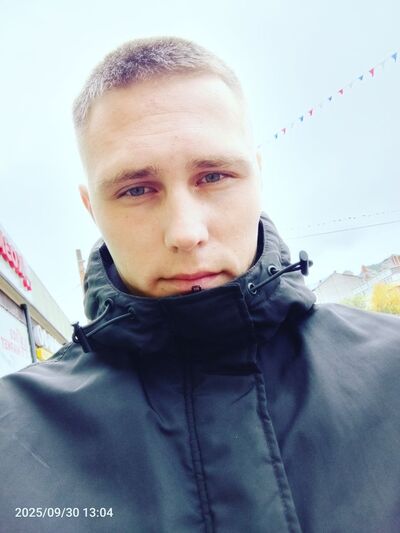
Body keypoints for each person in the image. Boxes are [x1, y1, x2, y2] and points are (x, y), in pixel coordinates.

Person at [0, 36, 399, 533]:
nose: (186, 233)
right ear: (91, 208)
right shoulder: (11, 438)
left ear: (258, 176)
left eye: (214, 176)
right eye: (136, 189)